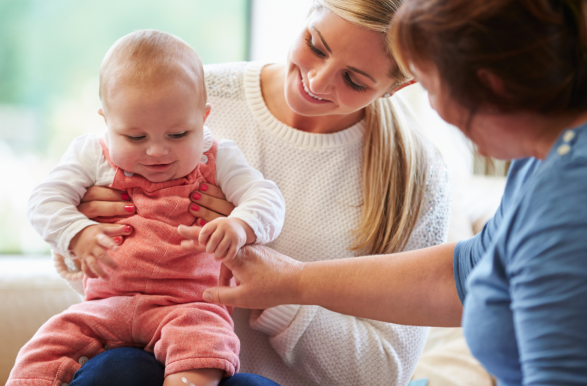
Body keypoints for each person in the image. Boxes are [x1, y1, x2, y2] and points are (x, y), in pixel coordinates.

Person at [196, 0, 587, 385]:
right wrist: (290, 283)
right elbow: (474, 270)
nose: (432, 110)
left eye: (430, 85)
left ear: (492, 86)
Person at [55, 1, 451, 385]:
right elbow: (100, 292)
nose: (316, 81)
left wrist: (282, 293)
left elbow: (385, 374)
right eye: (316, 46)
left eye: (354, 80)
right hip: (145, 364)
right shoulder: (188, 93)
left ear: (399, 85)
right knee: (119, 370)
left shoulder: (416, 175)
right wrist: (90, 232)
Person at [13, 30, 285, 386]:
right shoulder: (91, 154)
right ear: (106, 121)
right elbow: (43, 200)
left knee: (202, 350)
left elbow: (267, 199)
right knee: (41, 353)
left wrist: (241, 225)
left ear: (203, 119)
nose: (157, 151)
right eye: (136, 137)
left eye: (177, 135)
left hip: (188, 307)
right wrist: (77, 232)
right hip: (104, 304)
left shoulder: (219, 156)